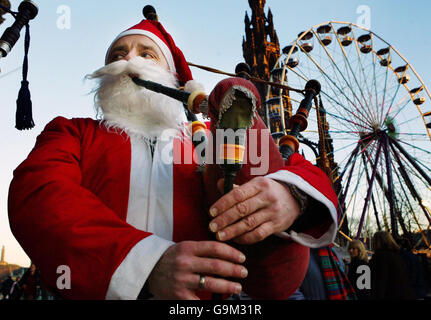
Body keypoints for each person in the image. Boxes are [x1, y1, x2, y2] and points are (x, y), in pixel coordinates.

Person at [8, 8, 338, 300]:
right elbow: (39, 196)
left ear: (171, 77)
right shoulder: (73, 132)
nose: (128, 59)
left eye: (146, 53)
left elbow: (298, 169)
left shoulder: (209, 141)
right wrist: (145, 265)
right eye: (117, 54)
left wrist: (290, 196)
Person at [369, 231, 415, 300]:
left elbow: (380, 281)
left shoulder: (380, 257)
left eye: (373, 240)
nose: (372, 243)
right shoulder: (397, 256)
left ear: (377, 242)